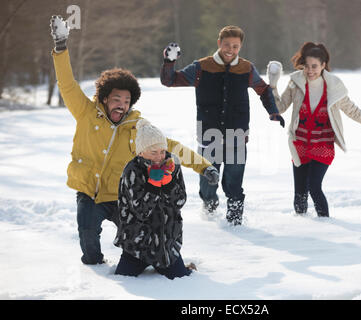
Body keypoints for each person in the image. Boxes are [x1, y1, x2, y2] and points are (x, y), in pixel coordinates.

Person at [49, 15, 219, 265]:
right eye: (117, 99)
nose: (122, 105)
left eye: (127, 101)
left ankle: (147, 262)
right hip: (89, 192)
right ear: (105, 98)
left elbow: (170, 146)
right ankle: (95, 267)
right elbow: (66, 84)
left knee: (139, 234)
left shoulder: (137, 126)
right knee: (88, 238)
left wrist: (204, 166)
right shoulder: (86, 113)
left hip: (121, 195)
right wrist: (61, 47)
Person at [160, 25, 284, 225]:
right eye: (227, 44)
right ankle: (209, 209)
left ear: (240, 47)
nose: (230, 49)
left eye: (235, 46)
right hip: (209, 135)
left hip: (238, 134)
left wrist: (273, 111)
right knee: (208, 182)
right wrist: (169, 61)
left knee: (234, 184)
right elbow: (170, 80)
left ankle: (236, 223)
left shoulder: (246, 68)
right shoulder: (202, 67)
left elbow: (263, 90)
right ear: (219, 43)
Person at [267, 42, 361, 217]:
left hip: (323, 146)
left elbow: (354, 112)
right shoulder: (295, 83)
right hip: (300, 145)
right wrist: (273, 85)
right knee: (299, 193)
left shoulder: (334, 88)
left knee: (314, 187)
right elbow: (280, 107)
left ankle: (326, 225)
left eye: (314, 66)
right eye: (306, 66)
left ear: (323, 65)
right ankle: (299, 228)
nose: (310, 70)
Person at [114, 119, 196, 279]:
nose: (159, 157)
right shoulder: (132, 170)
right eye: (153, 152)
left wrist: (169, 184)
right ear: (140, 152)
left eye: (162, 151)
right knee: (123, 277)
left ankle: (182, 266)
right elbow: (140, 211)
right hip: (137, 243)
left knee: (180, 277)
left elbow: (180, 201)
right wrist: (152, 186)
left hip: (166, 244)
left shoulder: (172, 165)